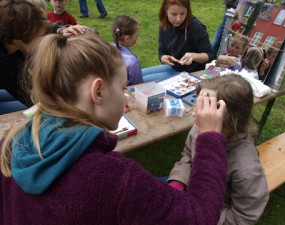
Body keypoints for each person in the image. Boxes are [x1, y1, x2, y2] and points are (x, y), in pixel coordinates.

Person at [0, 31, 229, 224]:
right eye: (122, 88)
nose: (126, 99)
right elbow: (199, 217)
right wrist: (209, 136)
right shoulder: (112, 179)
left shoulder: (11, 141)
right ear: (98, 92)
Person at [168, 74, 269, 225]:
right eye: (198, 103)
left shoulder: (246, 169)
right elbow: (188, 155)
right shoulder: (201, 128)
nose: (195, 112)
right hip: (193, 195)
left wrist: (203, 216)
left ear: (228, 118)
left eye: (205, 106)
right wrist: (177, 181)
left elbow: (244, 217)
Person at [142, 0, 213, 83]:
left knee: (142, 80)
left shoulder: (196, 28)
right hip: (174, 67)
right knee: (137, 74)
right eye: (174, 14)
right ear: (165, 11)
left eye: (183, 14)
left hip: (192, 73)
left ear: (188, 11)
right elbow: (162, 51)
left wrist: (193, 56)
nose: (178, 19)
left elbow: (210, 55)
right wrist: (164, 58)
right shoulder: (164, 24)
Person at [0, 0, 51, 114]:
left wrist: (62, 30)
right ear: (19, 41)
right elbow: (32, 96)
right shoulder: (4, 63)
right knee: (31, 110)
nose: (43, 40)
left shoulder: (11, 41)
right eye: (40, 37)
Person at [112, 15, 143, 85]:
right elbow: (138, 85)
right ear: (127, 38)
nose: (137, 39)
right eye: (136, 36)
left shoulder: (105, 49)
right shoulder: (132, 62)